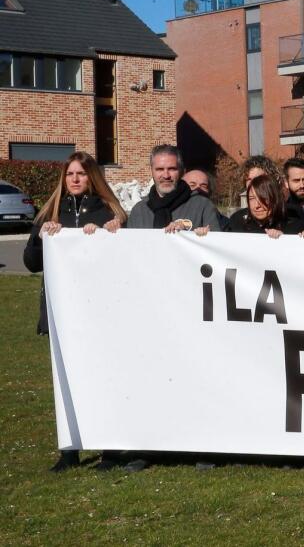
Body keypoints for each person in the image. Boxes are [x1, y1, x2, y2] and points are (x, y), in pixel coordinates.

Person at [23, 152, 125, 472]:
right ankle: (69, 451)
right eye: (70, 174)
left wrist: (113, 233)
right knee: (65, 383)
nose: (75, 179)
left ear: (92, 177)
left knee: (103, 380)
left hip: (100, 312)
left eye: (81, 174)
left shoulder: (110, 212)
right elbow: (30, 263)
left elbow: (126, 258)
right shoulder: (51, 212)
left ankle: (110, 449)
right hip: (62, 312)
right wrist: (43, 238)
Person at [126, 145, 222, 231]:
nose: (166, 175)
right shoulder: (139, 211)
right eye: (159, 169)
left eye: (172, 169)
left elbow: (215, 245)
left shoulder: (202, 206)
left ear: (181, 171)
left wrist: (196, 235)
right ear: (151, 171)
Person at [224, 175, 303, 236]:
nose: (257, 205)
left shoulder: (293, 226)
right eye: (252, 198)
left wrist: (284, 239)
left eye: (263, 198)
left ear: (275, 198)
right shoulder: (237, 222)